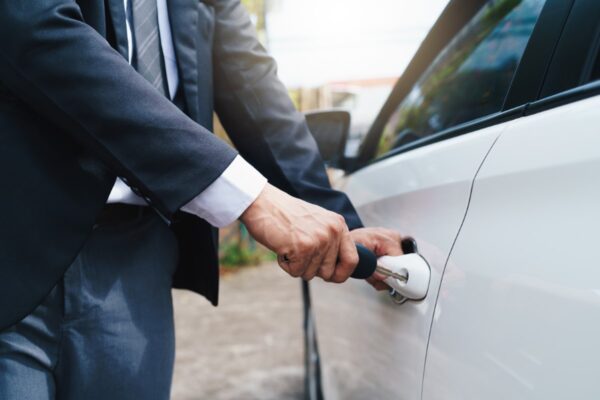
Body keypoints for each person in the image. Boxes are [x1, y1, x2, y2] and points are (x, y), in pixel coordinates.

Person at [0, 0, 401, 398]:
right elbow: (35, 30)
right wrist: (250, 197)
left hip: (136, 260)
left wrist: (341, 228)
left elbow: (252, 88)